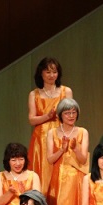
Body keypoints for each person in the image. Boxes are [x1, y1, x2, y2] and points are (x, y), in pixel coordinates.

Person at [45, 98, 88, 205]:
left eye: (73, 112)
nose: (71, 116)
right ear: (60, 115)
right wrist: (62, 149)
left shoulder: (82, 132)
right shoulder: (52, 133)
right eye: (67, 113)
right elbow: (50, 159)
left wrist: (75, 148)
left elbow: (83, 159)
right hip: (59, 180)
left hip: (77, 179)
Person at [27, 57, 72, 193]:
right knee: (42, 173)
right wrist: (47, 116)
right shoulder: (34, 94)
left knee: (60, 173)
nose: (52, 75)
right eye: (48, 72)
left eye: (54, 72)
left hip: (60, 134)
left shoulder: (66, 91)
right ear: (41, 73)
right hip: (41, 139)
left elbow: (71, 114)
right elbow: (32, 119)